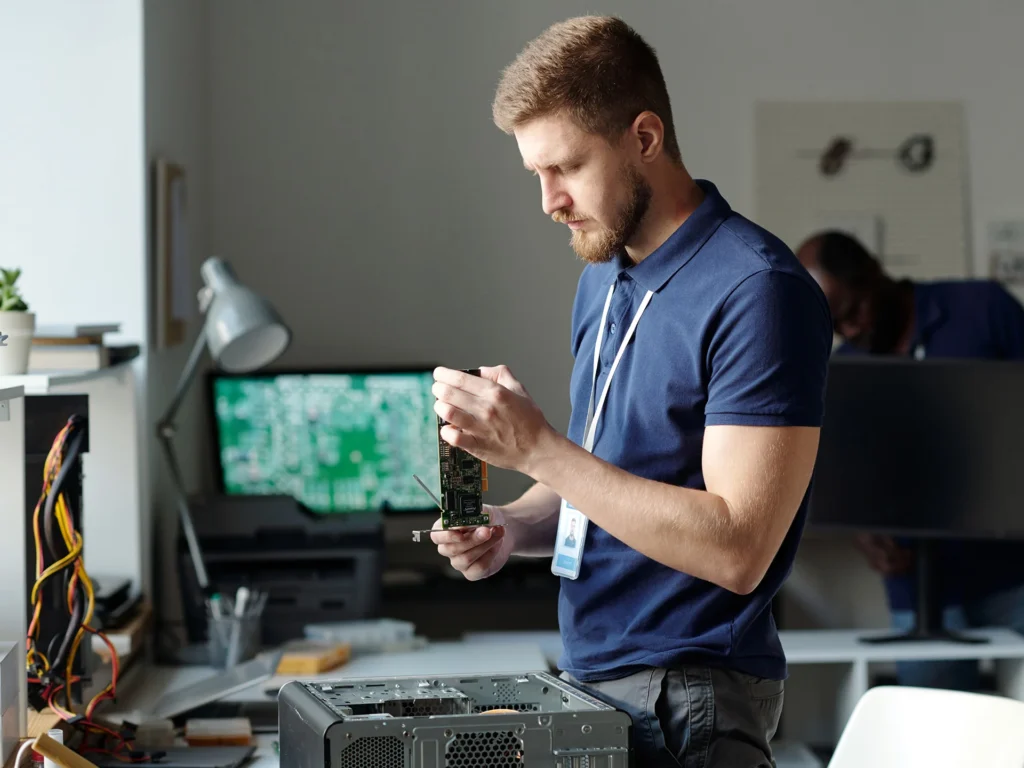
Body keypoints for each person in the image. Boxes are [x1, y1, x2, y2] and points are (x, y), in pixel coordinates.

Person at [429, 16, 832, 767]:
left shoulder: (758, 291)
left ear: (644, 137)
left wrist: (539, 447)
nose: (549, 200)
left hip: (690, 696)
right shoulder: (602, 280)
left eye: (567, 168)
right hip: (595, 677)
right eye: (535, 175)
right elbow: (612, 485)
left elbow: (740, 548)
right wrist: (515, 527)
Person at [796, 229, 1024, 691]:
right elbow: (835, 473)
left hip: (1011, 573)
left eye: (856, 310)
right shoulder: (845, 369)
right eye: (839, 325)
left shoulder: (982, 310)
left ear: (875, 274)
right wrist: (863, 533)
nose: (854, 330)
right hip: (915, 590)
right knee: (931, 730)